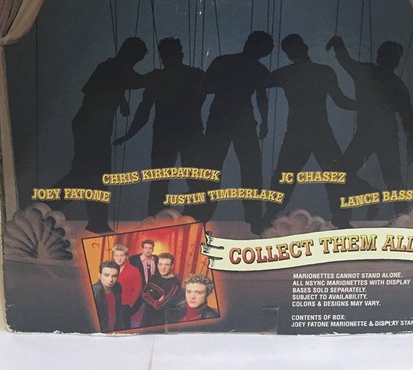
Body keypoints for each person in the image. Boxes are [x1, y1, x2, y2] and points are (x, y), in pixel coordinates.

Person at [262, 34, 367, 229]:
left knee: (286, 174)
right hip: (317, 132)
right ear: (304, 47)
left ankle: (270, 214)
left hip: (300, 133)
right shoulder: (322, 71)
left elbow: (261, 81)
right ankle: (341, 218)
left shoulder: (288, 73)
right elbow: (341, 101)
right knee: (333, 175)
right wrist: (364, 105)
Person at [55, 37, 148, 233]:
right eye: (137, 57)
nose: (136, 61)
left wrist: (120, 98)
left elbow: (123, 81)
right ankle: (47, 206)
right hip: (91, 127)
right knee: (86, 174)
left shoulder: (114, 67)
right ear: (130, 53)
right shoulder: (113, 67)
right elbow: (133, 81)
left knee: (91, 174)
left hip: (93, 127)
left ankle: (94, 220)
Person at [190, 31, 274, 233]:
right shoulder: (256, 68)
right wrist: (264, 122)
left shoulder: (224, 62)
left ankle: (203, 215)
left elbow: (203, 89)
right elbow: (261, 97)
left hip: (224, 119)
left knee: (214, 168)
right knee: (247, 168)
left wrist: (196, 116)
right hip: (237, 120)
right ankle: (252, 219)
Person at [326, 36, 413, 215]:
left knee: (342, 174)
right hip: (384, 135)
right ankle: (401, 214)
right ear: (396, 61)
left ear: (379, 56)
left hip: (368, 135)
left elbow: (345, 60)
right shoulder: (396, 83)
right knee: (392, 179)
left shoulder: (366, 72)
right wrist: (412, 144)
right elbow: (408, 117)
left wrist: (338, 43)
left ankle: (382, 202)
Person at [114, 38, 205, 216]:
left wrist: (129, 133)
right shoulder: (194, 75)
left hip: (172, 134)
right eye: (168, 55)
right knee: (189, 178)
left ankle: (165, 216)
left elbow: (142, 108)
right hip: (185, 133)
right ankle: (187, 215)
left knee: (164, 179)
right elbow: (143, 110)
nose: (169, 59)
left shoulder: (160, 77)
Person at [141, 253, 183, 328]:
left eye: (167, 265)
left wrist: (150, 295)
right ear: (157, 265)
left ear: (172, 266)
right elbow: (143, 293)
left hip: (160, 320)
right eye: (160, 264)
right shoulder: (154, 277)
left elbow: (160, 306)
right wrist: (156, 301)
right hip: (146, 316)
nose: (163, 268)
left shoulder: (175, 284)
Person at [111, 244, 142, 329]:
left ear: (126, 257)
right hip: (111, 304)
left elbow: (138, 289)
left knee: (124, 328)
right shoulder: (110, 269)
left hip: (124, 306)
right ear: (113, 257)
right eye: (116, 255)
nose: (119, 258)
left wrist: (130, 303)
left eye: (121, 255)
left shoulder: (133, 270)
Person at [128, 238, 157, 326]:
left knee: (150, 312)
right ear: (143, 248)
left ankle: (144, 327)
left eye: (150, 248)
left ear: (153, 249)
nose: (148, 250)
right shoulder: (134, 259)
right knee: (131, 310)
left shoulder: (156, 259)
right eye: (146, 248)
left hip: (151, 291)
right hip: (139, 290)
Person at [91, 260, 125, 332]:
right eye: (106, 275)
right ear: (99, 275)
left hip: (115, 331)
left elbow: (118, 312)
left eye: (114, 276)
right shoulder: (93, 291)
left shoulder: (118, 287)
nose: (110, 280)